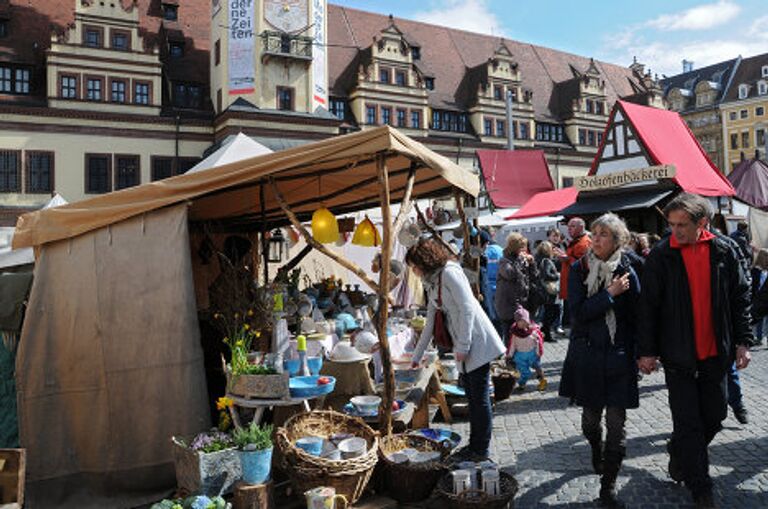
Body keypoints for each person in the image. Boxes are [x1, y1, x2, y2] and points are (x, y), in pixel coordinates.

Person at [637, 193, 752, 509]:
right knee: (689, 423)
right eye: (671, 224)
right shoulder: (661, 256)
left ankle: (679, 450)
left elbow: (741, 299)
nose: (675, 231)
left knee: (715, 416)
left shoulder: (724, 251)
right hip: (677, 357)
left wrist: (743, 341)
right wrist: (646, 351)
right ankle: (701, 488)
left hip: (716, 354)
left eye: (682, 225)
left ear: (703, 223)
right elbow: (648, 307)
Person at [558, 213, 640, 508]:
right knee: (591, 422)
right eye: (595, 233)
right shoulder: (581, 269)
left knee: (617, 426)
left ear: (617, 240)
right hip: (589, 357)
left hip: (619, 358)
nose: (596, 239)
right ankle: (596, 447)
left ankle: (609, 486)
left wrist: (645, 352)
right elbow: (577, 314)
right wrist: (609, 294)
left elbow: (639, 314)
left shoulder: (631, 267)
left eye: (604, 234)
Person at [407, 236, 505, 462]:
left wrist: (463, 346)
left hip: (476, 340)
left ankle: (480, 450)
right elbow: (431, 320)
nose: (413, 271)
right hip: (463, 342)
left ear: (424, 261)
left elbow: (468, 309)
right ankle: (475, 445)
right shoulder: (431, 281)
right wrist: (416, 356)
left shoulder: (449, 273)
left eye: (414, 266)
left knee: (479, 398)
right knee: (472, 396)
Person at [495, 233, 538, 345]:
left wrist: (532, 263)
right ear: (514, 247)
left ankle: (520, 358)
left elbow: (534, 276)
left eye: (524, 246)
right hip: (508, 306)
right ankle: (509, 359)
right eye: (521, 247)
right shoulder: (504, 261)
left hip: (522, 303)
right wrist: (520, 262)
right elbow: (510, 274)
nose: (524, 249)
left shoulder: (521, 260)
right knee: (510, 334)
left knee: (522, 335)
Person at [555, 217, 592, 327]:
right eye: (568, 227)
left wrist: (567, 259)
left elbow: (585, 265)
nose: (569, 229)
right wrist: (565, 257)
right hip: (570, 286)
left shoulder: (585, 242)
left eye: (572, 226)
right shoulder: (576, 241)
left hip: (578, 287)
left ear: (581, 227)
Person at [506, 305, 547, 392]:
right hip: (520, 356)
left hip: (532, 354)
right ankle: (522, 384)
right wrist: (509, 355)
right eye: (520, 321)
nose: (523, 323)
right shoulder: (515, 333)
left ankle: (542, 381)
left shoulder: (533, 331)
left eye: (524, 320)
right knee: (523, 371)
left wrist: (538, 352)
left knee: (538, 367)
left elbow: (539, 342)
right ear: (516, 322)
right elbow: (512, 345)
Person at [535, 241, 561, 343]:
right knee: (553, 311)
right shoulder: (546, 261)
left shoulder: (538, 259)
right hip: (548, 290)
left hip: (542, 290)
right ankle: (546, 332)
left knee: (549, 312)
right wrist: (557, 275)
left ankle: (545, 331)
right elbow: (546, 275)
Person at [479, 229, 504, 332]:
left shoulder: (484, 253)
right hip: (498, 287)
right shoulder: (500, 250)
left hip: (486, 289)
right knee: (498, 318)